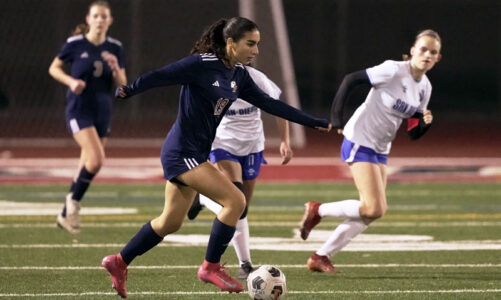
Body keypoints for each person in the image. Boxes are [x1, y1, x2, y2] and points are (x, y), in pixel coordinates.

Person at [101, 17, 331, 298]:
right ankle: (210, 267)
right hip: (181, 152)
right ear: (230, 42)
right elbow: (162, 75)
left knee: (169, 222)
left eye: (258, 44)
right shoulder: (202, 64)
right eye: (250, 44)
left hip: (195, 153)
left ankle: (119, 261)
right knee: (236, 200)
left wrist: (311, 121)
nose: (256, 51)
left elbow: (271, 104)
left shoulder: (239, 75)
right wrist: (130, 89)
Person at [299, 29, 442, 273]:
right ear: (412, 51)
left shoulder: (424, 88)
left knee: (372, 212)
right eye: (423, 49)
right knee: (374, 207)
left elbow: (413, 132)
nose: (427, 54)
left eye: (433, 52)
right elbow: (350, 80)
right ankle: (318, 210)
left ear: (438, 58)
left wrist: (425, 124)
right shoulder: (394, 70)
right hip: (360, 138)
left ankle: (320, 256)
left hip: (380, 147)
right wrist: (337, 120)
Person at [186, 65, 293, 279]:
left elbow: (278, 108)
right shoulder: (214, 80)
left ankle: (204, 199)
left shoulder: (258, 78)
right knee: (237, 201)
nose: (253, 51)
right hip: (223, 145)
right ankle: (245, 264)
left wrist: (285, 141)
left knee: (242, 206)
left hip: (253, 146)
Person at [48, 0, 127, 234]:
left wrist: (115, 68)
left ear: (110, 21)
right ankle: (73, 203)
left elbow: (123, 86)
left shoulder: (115, 48)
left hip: (103, 110)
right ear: (88, 19)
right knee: (96, 160)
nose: (100, 20)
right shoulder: (75, 44)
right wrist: (71, 82)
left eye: (104, 16)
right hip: (79, 108)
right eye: (96, 16)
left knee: (87, 163)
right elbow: (54, 68)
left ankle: (64, 215)